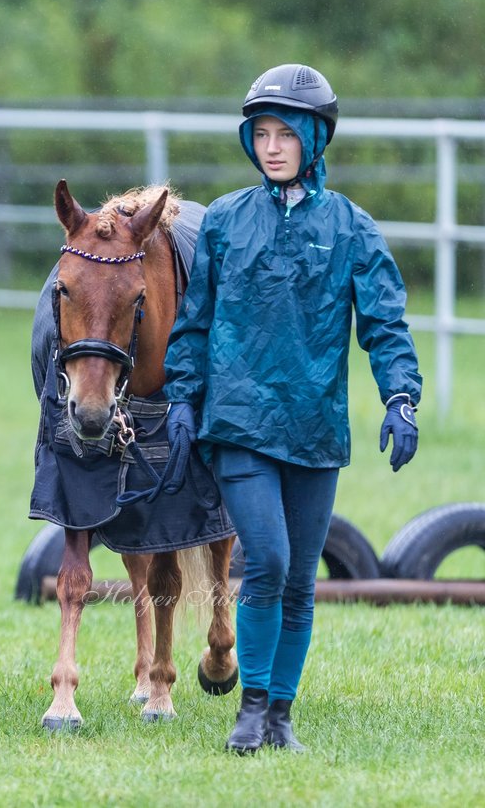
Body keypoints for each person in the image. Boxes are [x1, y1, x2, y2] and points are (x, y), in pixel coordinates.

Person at [164, 63, 421, 753]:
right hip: (240, 420)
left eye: (286, 134)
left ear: (315, 138)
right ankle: (249, 707)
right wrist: (185, 399)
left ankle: (280, 716)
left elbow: (386, 322)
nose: (272, 146)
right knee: (268, 560)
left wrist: (401, 396)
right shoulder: (222, 221)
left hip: (315, 424)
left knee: (301, 582)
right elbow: (194, 322)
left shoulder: (351, 228)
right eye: (261, 134)